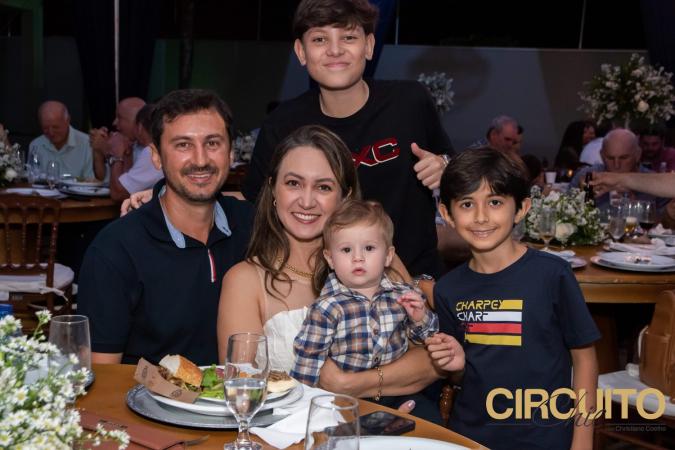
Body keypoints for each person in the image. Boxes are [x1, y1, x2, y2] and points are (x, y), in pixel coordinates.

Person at [218, 124, 444, 421]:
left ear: (345, 197)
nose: (307, 201)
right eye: (293, 183)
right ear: (273, 189)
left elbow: (432, 359)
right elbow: (241, 396)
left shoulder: (374, 259)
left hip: (391, 425)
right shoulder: (246, 280)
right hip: (287, 435)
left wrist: (353, 386)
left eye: (323, 187)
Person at [241, 0, 453, 278]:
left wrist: (444, 167)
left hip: (416, 282)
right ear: (301, 51)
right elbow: (259, 207)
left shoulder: (409, 101)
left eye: (348, 37)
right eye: (320, 39)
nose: (335, 50)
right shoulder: (282, 125)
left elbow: (457, 171)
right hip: (323, 286)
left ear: (369, 45)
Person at [430, 147, 600, 450]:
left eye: (495, 202)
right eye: (467, 204)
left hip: (545, 438)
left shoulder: (552, 275)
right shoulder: (447, 289)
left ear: (521, 208)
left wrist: (583, 439)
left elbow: (584, 359)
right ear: (447, 214)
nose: (481, 216)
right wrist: (455, 367)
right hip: (472, 437)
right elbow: (460, 374)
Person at [78, 89, 254, 365]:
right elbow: (102, 374)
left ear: (230, 153)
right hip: (143, 394)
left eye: (213, 143)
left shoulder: (253, 227)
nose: (200, 160)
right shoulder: (115, 250)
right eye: (183, 145)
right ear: (156, 156)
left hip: (240, 390)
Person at [291, 200, 439, 405]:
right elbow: (308, 361)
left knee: (429, 422)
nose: (358, 258)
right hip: (343, 399)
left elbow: (430, 340)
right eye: (346, 250)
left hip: (397, 390)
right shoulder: (327, 308)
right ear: (330, 258)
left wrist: (420, 318)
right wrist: (300, 406)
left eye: (369, 248)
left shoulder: (402, 295)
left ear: (388, 256)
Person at [570, 128, 667, 210]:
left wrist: (636, 207)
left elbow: (666, 223)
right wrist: (583, 198)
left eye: (623, 158)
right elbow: (566, 215)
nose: (616, 165)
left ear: (638, 155)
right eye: (610, 158)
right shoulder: (587, 177)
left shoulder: (655, 183)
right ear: (602, 156)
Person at [90, 97, 148, 201]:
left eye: (119, 117)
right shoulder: (133, 145)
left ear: (137, 122)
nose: (114, 122)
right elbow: (104, 179)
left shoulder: (152, 153)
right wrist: (99, 151)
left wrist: (112, 153)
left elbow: (118, 194)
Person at [29, 101, 95, 179]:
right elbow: (32, 179)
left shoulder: (87, 144)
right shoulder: (35, 145)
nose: (51, 132)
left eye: (56, 127)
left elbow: (91, 182)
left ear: (68, 120)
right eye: (45, 128)